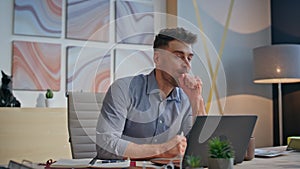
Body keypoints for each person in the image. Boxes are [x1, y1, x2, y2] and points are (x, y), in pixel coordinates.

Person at [96, 27, 206, 160]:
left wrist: (196, 101)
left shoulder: (186, 97)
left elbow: (201, 150)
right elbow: (105, 146)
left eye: (189, 58)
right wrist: (162, 150)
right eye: (178, 56)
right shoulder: (123, 89)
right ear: (158, 58)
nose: (187, 65)